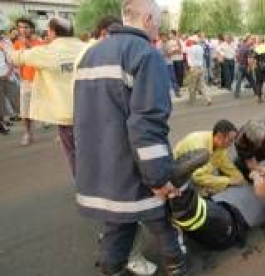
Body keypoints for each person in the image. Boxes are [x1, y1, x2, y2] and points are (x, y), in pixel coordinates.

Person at [73, 0, 188, 275]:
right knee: (159, 216)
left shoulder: (92, 54)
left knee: (118, 223)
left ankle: (111, 268)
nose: (159, 28)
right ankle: (176, 265)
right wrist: (159, 178)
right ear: (148, 19)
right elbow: (147, 123)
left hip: (102, 164)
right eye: (158, 22)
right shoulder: (146, 55)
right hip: (132, 165)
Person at [11, 17, 84, 175]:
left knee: (73, 151)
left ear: (52, 32)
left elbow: (16, 58)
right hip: (90, 110)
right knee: (93, 148)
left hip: (66, 114)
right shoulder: (86, 47)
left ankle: (85, 186)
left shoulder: (46, 51)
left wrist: (7, 46)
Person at [174, 119, 245, 196]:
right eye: (230, 140)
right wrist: (229, 181)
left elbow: (226, 165)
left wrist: (239, 177)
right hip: (177, 176)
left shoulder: (220, 146)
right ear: (220, 136)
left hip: (192, 175)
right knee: (207, 194)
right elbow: (198, 177)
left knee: (216, 187)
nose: (231, 144)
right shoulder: (199, 145)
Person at [13, 17, 43, 146]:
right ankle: (28, 133)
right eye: (20, 27)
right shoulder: (17, 44)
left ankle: (62, 132)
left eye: (26, 27)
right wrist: (21, 76)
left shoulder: (39, 42)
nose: (23, 30)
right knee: (25, 110)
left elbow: (40, 58)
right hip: (26, 80)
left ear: (31, 28)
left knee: (51, 105)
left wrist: (28, 45)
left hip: (41, 80)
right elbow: (17, 62)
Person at [0, 30, 20, 134]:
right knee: (1, 103)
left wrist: (8, 73)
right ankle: (3, 123)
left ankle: (16, 115)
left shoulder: (4, 46)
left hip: (7, 76)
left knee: (15, 95)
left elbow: (10, 61)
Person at [185, 35, 211, 106]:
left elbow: (185, 51)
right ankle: (208, 99)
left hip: (194, 68)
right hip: (201, 67)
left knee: (192, 85)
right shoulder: (201, 48)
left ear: (192, 41)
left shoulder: (190, 49)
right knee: (203, 85)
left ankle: (192, 100)